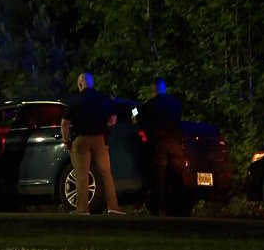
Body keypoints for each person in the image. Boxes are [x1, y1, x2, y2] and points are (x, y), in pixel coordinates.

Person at [60, 72, 126, 215]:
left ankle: (82, 208)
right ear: (92, 83)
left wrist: (66, 140)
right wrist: (105, 127)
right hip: (100, 139)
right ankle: (113, 207)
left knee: (82, 174)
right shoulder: (102, 98)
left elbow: (65, 122)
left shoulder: (75, 100)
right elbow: (113, 119)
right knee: (106, 174)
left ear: (80, 84)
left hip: (81, 139)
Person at [136, 76, 184, 216]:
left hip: (161, 143)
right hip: (176, 143)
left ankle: (159, 207)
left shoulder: (151, 104)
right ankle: (178, 206)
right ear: (165, 88)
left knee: (159, 176)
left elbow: (137, 117)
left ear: (154, 88)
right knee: (177, 175)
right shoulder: (176, 103)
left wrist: (134, 111)